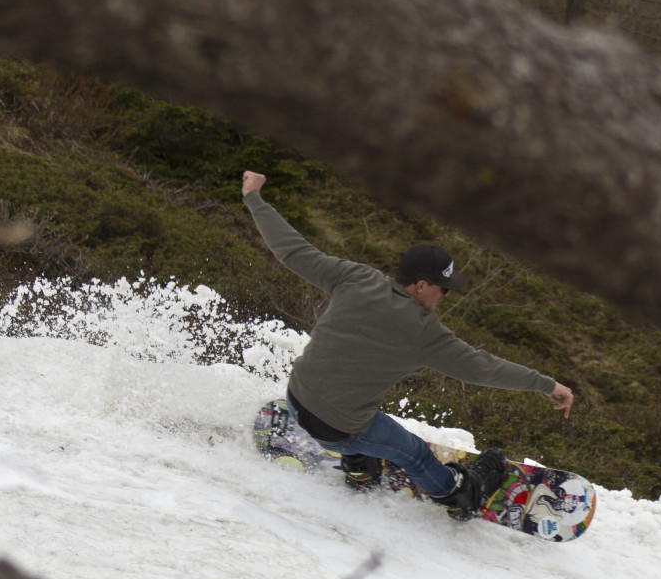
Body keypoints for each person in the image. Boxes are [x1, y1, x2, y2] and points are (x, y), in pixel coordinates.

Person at [241, 170, 573, 516]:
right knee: (413, 453)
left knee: (367, 412)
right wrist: (546, 384)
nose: (446, 295)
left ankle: (360, 468)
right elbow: (483, 368)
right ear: (420, 285)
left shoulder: (356, 277)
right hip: (336, 428)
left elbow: (292, 250)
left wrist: (254, 198)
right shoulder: (424, 332)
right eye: (443, 287)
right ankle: (460, 496)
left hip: (295, 399)